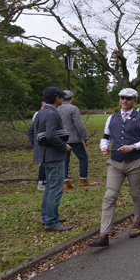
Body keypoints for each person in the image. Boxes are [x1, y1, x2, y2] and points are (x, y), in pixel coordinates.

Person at [87, 88, 140, 248]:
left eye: (128, 98)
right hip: (115, 162)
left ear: (134, 101)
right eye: (122, 98)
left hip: (135, 162)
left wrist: (134, 146)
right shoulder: (112, 118)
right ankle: (104, 234)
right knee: (109, 196)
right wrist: (103, 147)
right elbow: (106, 137)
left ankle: (137, 223)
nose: (125, 101)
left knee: (136, 194)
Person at [27, 87, 73, 232]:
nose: (62, 99)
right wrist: (63, 146)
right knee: (55, 188)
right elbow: (52, 135)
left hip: (45, 155)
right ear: (57, 98)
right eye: (61, 97)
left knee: (49, 187)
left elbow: (31, 131)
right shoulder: (52, 114)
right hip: (53, 156)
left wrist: (38, 148)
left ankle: (47, 216)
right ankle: (51, 222)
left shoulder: (41, 112)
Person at [59, 90, 98, 190]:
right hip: (74, 138)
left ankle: (65, 182)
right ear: (71, 98)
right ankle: (83, 180)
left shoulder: (56, 108)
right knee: (83, 158)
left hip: (61, 139)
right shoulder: (73, 109)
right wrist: (85, 137)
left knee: (64, 160)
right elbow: (79, 125)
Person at [32, 98, 47, 191]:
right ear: (42, 103)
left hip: (45, 141)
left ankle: (44, 180)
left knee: (45, 162)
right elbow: (32, 130)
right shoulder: (38, 114)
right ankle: (41, 181)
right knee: (44, 162)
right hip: (42, 142)